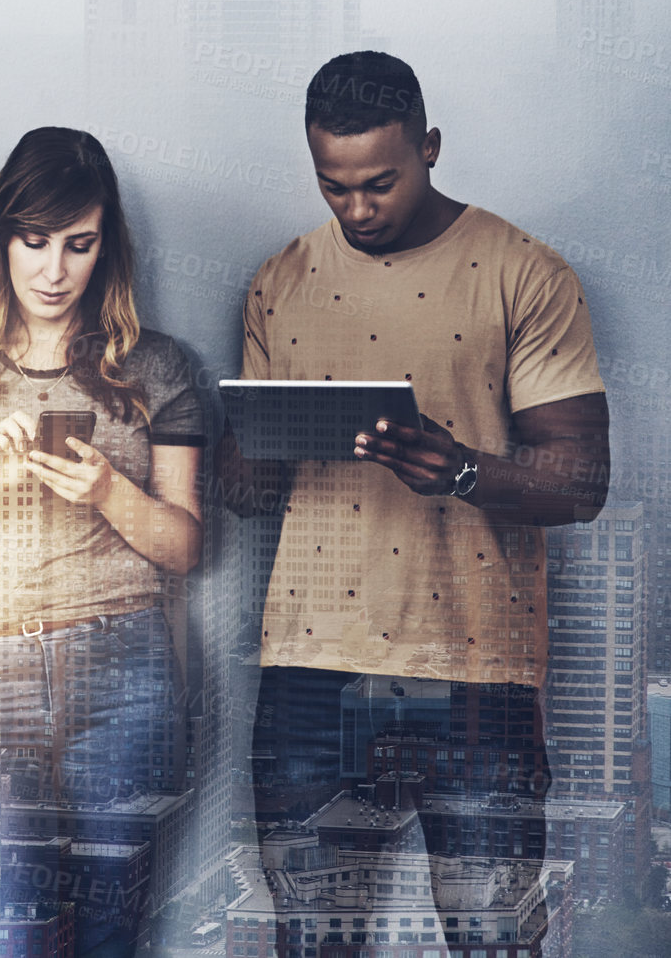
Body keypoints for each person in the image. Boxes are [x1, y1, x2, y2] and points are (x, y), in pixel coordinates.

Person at [219, 51, 609, 950]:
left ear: (430, 148)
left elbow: (585, 480)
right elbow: (246, 493)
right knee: (312, 942)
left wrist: (464, 472)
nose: (357, 210)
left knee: (494, 941)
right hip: (310, 673)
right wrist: (258, 447)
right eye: (333, 188)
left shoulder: (524, 272)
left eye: (380, 185)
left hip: (478, 678)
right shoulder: (278, 281)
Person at [0, 127, 202, 956]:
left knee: (106, 940)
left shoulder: (157, 368)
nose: (54, 271)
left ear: (107, 250)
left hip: (125, 667)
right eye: (34, 242)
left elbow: (185, 545)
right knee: (2, 941)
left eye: (78, 245)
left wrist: (108, 492)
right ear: (1, 239)